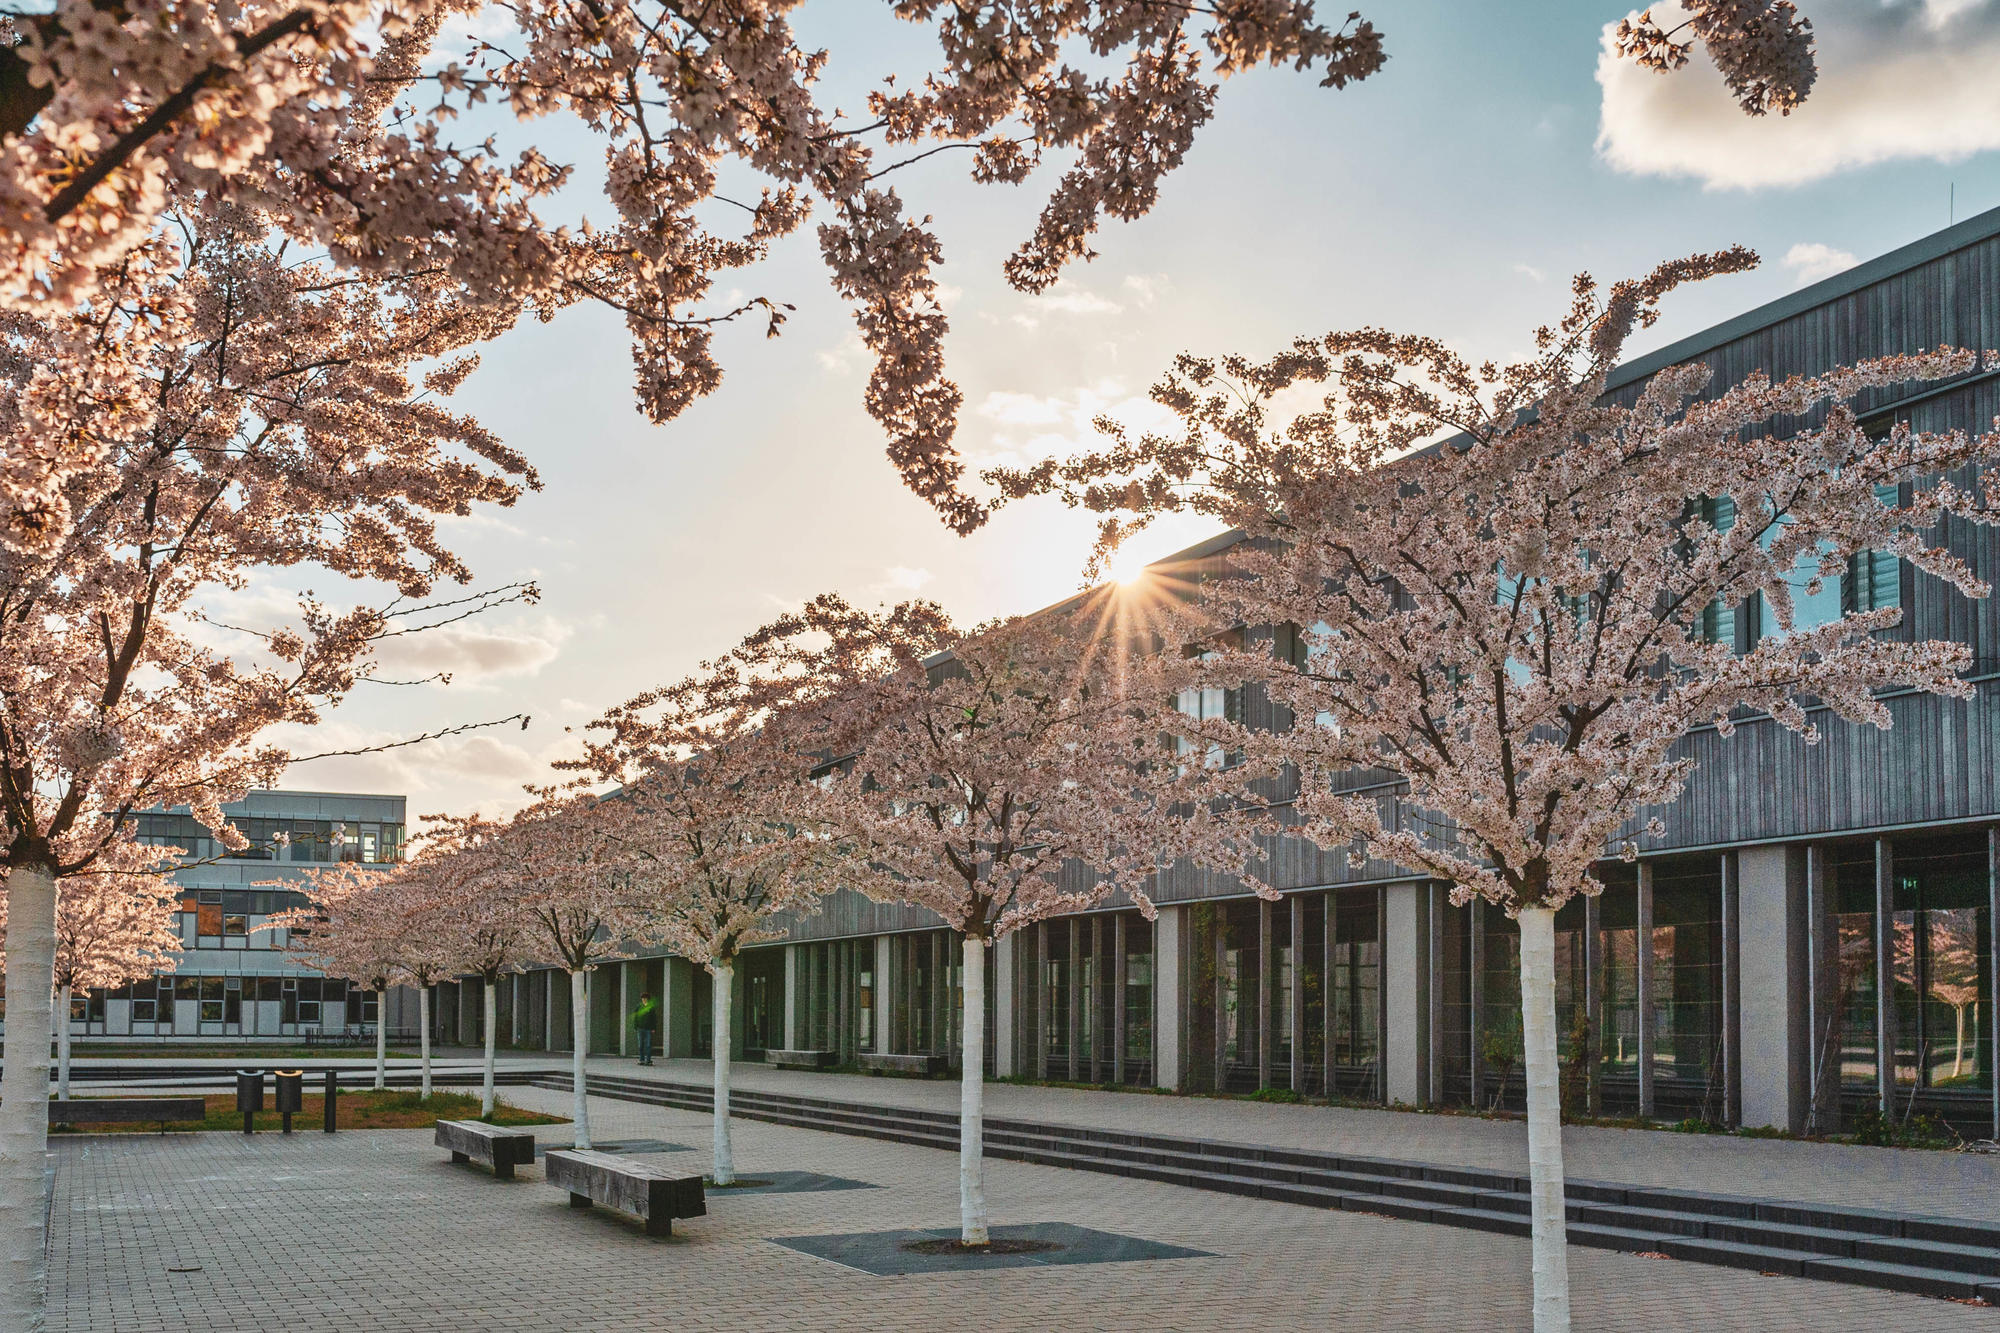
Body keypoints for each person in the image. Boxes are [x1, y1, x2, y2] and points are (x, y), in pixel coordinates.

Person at [632, 991, 660, 1066]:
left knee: (648, 1045)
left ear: (648, 999)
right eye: (643, 998)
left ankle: (648, 1060)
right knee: (640, 1045)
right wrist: (635, 1026)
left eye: (645, 998)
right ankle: (641, 1059)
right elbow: (635, 1016)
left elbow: (654, 1018)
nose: (644, 999)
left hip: (648, 1029)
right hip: (640, 1028)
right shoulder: (639, 1006)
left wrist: (654, 1028)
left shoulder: (651, 1007)